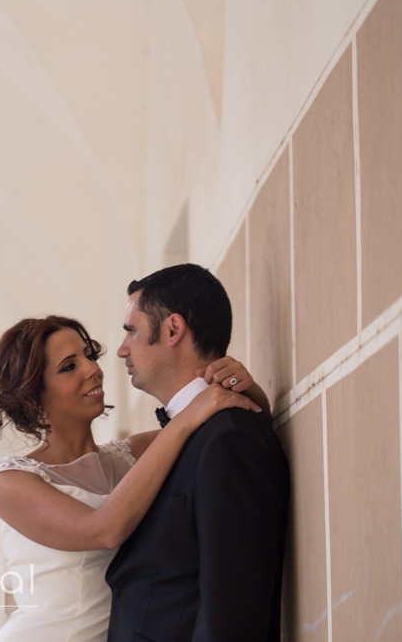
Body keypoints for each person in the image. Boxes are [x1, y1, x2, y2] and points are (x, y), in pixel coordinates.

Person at [0, 314, 268, 641]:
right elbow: (105, 530)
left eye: (89, 355)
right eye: (69, 366)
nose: (92, 369)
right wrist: (186, 419)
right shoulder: (9, 482)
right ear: (33, 396)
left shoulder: (136, 455)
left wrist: (245, 386)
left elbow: (233, 430)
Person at [106, 264, 290, 641]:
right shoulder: (196, 435)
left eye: (132, 331)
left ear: (173, 329)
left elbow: (232, 612)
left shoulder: (227, 439)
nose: (123, 349)